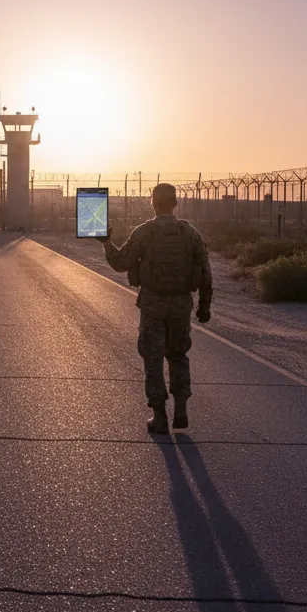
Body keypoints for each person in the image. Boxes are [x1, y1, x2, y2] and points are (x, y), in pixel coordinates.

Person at [97, 183, 213, 434]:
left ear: (152, 203)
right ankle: (181, 408)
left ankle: (159, 415)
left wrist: (106, 243)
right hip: (181, 304)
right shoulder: (189, 233)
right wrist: (205, 306)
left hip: (152, 304)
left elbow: (120, 263)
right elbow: (205, 272)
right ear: (175, 203)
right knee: (178, 354)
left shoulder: (144, 232)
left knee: (153, 357)